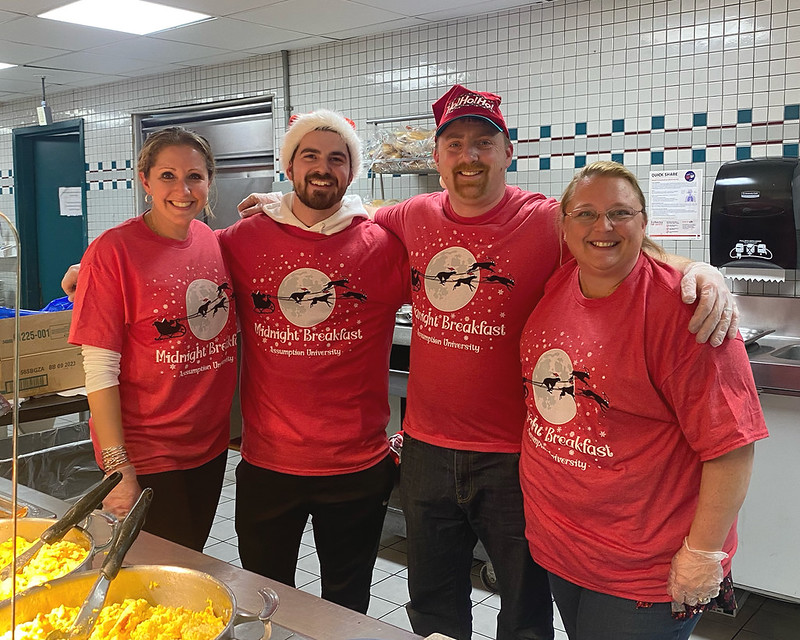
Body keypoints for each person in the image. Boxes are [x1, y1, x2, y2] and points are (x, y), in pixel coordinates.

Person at [237, 85, 738, 640]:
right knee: (432, 602)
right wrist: (278, 208)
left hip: (515, 456)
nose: (469, 156)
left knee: (522, 608)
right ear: (438, 157)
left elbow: (612, 236)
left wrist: (701, 270)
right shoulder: (410, 216)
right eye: (455, 144)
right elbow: (349, 211)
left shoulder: (546, 220)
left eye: (483, 142)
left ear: (508, 151)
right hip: (425, 449)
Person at [517, 161, 767, 640]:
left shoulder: (688, 313)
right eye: (586, 214)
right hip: (560, 544)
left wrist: (703, 554)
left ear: (644, 222)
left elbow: (732, 447)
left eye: (620, 213)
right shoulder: (561, 283)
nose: (602, 227)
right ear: (564, 226)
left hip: (641, 568)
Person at [218, 110, 409, 614]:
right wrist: (98, 268)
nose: (323, 168)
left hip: (357, 467)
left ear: (352, 171)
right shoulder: (242, 241)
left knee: (346, 606)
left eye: (337, 158)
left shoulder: (383, 245)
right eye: (310, 156)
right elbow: (180, 268)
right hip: (268, 464)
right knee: (263, 603)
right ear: (289, 165)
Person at [68, 127, 238, 551]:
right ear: (144, 180)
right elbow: (99, 370)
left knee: (190, 556)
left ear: (209, 181)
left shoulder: (212, 242)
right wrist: (118, 465)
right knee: (155, 576)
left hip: (208, 444)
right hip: (149, 453)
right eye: (167, 176)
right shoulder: (114, 252)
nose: (182, 189)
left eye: (195, 177)